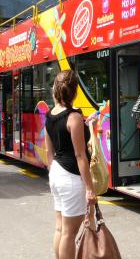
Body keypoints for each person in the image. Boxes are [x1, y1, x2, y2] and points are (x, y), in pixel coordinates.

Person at [44, 70, 97, 259]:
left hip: (57, 173)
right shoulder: (73, 117)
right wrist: (90, 189)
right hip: (71, 178)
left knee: (60, 227)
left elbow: (49, 152)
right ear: (74, 92)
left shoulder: (50, 115)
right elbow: (80, 155)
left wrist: (54, 173)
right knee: (70, 232)